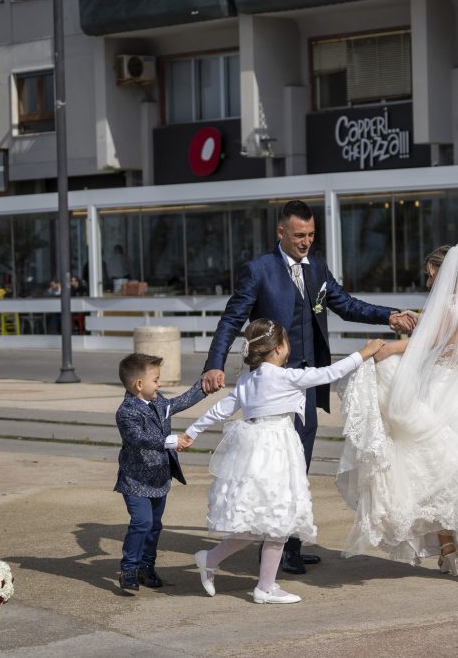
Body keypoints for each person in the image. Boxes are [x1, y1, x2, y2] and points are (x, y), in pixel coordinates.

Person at [201, 200, 416, 574]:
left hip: (307, 384)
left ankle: (289, 544)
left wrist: (389, 315)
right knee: (276, 470)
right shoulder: (258, 271)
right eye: (299, 235)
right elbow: (231, 320)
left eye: (312, 235)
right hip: (273, 388)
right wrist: (213, 364)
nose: (306, 242)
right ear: (280, 233)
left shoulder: (316, 268)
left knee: (298, 467)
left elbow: (345, 304)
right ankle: (277, 547)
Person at [170, 319, 384, 604]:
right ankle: (264, 587)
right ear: (280, 347)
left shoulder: (247, 380)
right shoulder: (285, 377)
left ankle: (213, 560)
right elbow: (330, 372)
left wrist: (191, 432)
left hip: (253, 451)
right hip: (276, 450)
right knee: (277, 519)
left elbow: (221, 409)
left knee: (257, 521)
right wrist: (365, 352)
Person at [336, 244, 458, 585]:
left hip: (442, 391)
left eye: (431, 273)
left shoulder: (445, 307)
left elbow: (429, 341)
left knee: (434, 469)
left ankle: (448, 550)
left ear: (444, 271)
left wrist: (386, 348)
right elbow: (454, 337)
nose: (428, 280)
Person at [114, 353, 208, 593]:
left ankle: (147, 566)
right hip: (135, 480)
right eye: (155, 380)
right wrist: (170, 441)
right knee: (141, 522)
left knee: (155, 525)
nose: (159, 384)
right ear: (139, 385)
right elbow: (138, 438)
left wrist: (204, 387)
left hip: (159, 477)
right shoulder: (126, 412)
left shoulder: (158, 401)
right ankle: (129, 569)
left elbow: (180, 402)